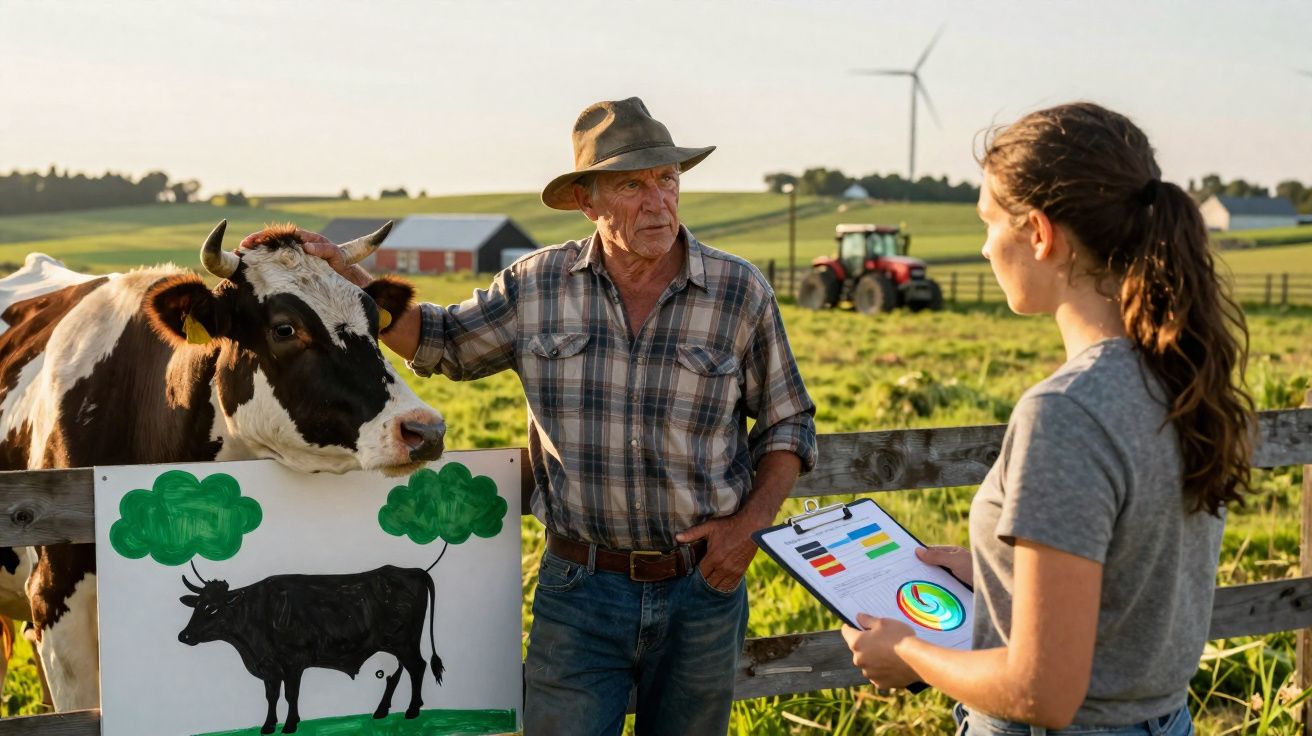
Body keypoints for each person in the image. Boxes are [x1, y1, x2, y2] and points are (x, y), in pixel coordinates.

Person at [269, 97, 816, 735]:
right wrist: (342, 275)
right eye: (631, 185)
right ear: (588, 201)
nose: (657, 200)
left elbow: (788, 423)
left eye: (667, 179)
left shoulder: (738, 290)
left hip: (702, 589)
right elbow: (439, 340)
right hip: (581, 591)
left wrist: (749, 526)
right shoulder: (536, 286)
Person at [841, 102, 1254, 735]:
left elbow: (1043, 692)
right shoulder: (1178, 377)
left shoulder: (1066, 411)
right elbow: (1130, 577)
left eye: (989, 224)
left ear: (1039, 233)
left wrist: (906, 652)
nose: (983, 249)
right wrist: (995, 573)